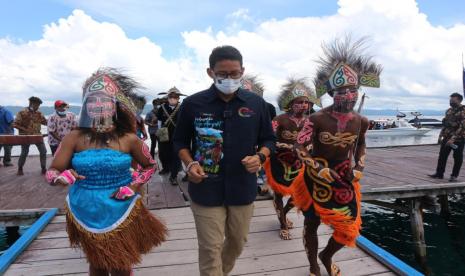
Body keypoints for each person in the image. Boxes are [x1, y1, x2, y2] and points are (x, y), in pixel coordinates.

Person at [45, 68, 167, 276]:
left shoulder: (129, 138)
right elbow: (52, 171)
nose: (99, 106)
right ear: (86, 106)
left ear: (115, 107)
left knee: (121, 263)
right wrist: (59, 178)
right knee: (97, 264)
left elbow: (149, 165)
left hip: (122, 205)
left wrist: (133, 186)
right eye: (93, 102)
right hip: (85, 206)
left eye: (104, 102)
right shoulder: (74, 137)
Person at [173, 45, 275, 276]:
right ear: (211, 72)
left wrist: (259, 157)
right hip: (205, 186)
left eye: (235, 73)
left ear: (243, 71)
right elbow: (179, 142)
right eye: (223, 74)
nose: (229, 78)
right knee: (210, 247)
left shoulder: (256, 104)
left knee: (237, 242)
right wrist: (190, 164)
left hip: (242, 186)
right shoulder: (193, 104)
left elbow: (269, 139)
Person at [291, 37, 381, 276]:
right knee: (312, 222)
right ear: (331, 92)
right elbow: (298, 148)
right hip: (315, 177)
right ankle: (313, 266)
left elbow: (360, 145)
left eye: (353, 90)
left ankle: (326, 255)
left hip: (344, 178)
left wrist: (360, 166)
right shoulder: (316, 119)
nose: (349, 95)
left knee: (349, 228)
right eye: (343, 91)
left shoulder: (361, 121)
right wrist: (317, 169)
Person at [264, 78, 320, 240]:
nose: (304, 105)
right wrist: (288, 146)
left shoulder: (311, 121)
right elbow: (269, 138)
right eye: (300, 102)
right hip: (279, 163)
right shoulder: (279, 120)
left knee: (298, 195)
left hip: (300, 163)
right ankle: (282, 224)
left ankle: (283, 214)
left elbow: (313, 140)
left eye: (306, 102)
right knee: (279, 195)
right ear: (291, 103)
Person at [428, 92, 465, 182]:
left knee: (457, 157)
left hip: (459, 138)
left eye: (453, 100)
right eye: (450, 99)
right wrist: (440, 136)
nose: (451, 101)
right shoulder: (449, 111)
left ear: (459, 100)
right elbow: (445, 124)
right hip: (447, 136)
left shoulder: (463, 111)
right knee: (442, 156)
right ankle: (439, 173)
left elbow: (463, 126)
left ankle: (454, 176)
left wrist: (453, 138)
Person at [13, 96, 48, 175]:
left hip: (37, 135)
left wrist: (54, 123)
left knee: (43, 151)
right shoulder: (22, 112)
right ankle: (20, 168)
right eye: (37, 105)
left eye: (39, 105)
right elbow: (14, 124)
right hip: (25, 136)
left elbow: (45, 122)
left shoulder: (39, 113)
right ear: (31, 103)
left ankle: (43, 168)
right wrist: (25, 130)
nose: (38, 107)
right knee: (24, 152)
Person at [157, 87, 184, 185]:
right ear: (168, 97)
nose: (172, 98)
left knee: (176, 155)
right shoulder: (162, 108)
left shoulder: (182, 108)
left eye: (175, 97)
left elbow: (184, 122)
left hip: (177, 135)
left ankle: (173, 176)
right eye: (171, 96)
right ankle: (165, 168)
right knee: (163, 153)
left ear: (178, 98)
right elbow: (159, 121)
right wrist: (159, 133)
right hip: (164, 134)